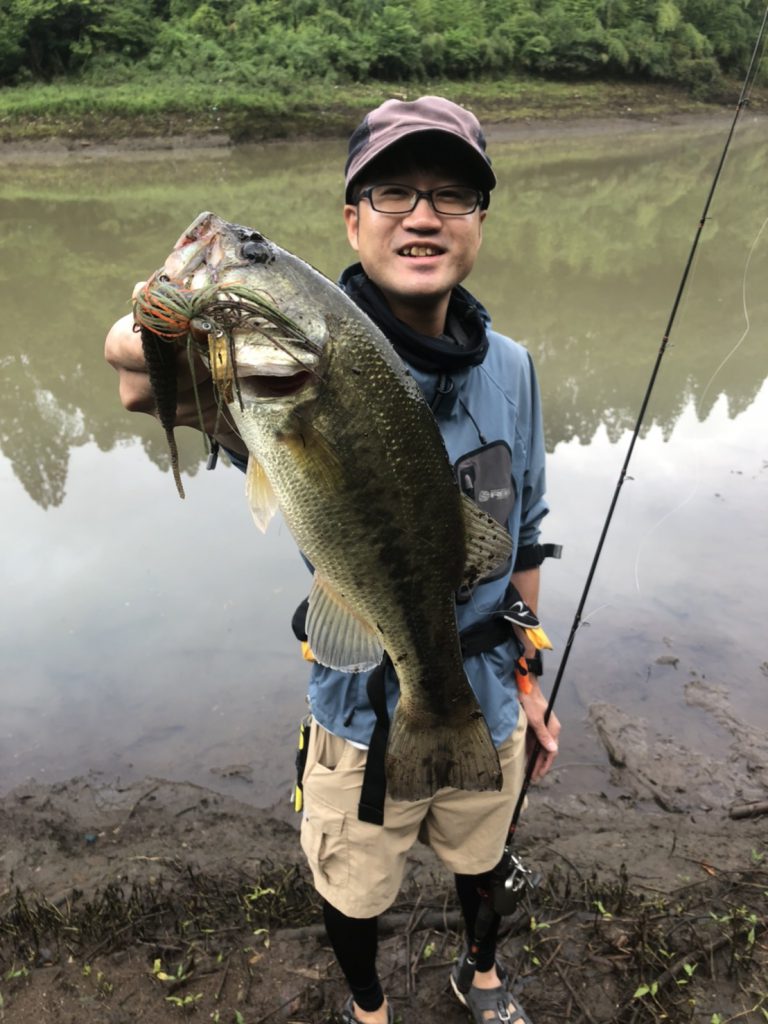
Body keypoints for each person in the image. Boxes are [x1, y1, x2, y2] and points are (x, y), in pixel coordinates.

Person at [105, 95, 561, 1024]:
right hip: (355, 712)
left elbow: (526, 529)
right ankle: (368, 1006)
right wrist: (152, 327)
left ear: (479, 221)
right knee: (353, 884)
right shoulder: (267, 375)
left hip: (482, 688)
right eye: (393, 193)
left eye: (452, 194)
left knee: (483, 855)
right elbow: (135, 382)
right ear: (352, 221)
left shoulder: (512, 368)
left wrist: (529, 675)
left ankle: (480, 975)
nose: (423, 216)